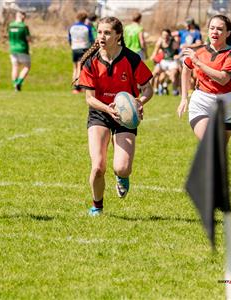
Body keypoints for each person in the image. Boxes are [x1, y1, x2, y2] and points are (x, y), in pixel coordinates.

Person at [78, 17, 153, 216]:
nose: (102, 36)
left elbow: (147, 88)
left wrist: (139, 102)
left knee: (122, 167)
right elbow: (89, 99)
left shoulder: (131, 58)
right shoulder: (91, 61)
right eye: (100, 32)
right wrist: (109, 109)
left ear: (118, 35)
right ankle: (97, 206)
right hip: (100, 114)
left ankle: (122, 177)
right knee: (98, 167)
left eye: (107, 33)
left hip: (125, 117)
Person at [177, 15, 231, 144]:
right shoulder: (199, 51)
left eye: (219, 29)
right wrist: (184, 98)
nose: (214, 31)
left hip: (226, 104)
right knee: (210, 143)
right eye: (212, 28)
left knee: (219, 150)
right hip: (201, 102)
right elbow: (186, 69)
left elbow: (223, 79)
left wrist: (198, 63)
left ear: (227, 33)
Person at [68, 10, 94, 94]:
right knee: (80, 68)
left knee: (75, 68)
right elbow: (91, 39)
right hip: (84, 48)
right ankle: (78, 87)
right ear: (85, 18)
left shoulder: (72, 27)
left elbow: (69, 39)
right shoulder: (87, 27)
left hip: (74, 48)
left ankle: (75, 87)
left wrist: (72, 46)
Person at [150, 29, 180, 95]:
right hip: (164, 61)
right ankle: (150, 90)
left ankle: (174, 90)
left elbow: (178, 51)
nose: (165, 37)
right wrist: (153, 57)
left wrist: (177, 55)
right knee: (153, 73)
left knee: (173, 75)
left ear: (169, 36)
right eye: (163, 35)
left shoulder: (173, 42)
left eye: (166, 35)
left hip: (172, 61)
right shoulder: (160, 42)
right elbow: (155, 51)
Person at [8, 10, 31, 92]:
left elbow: (9, 37)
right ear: (22, 16)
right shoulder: (24, 26)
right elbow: (28, 39)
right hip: (22, 48)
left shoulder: (10, 25)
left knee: (15, 67)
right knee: (27, 66)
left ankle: (14, 84)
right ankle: (19, 82)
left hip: (12, 48)